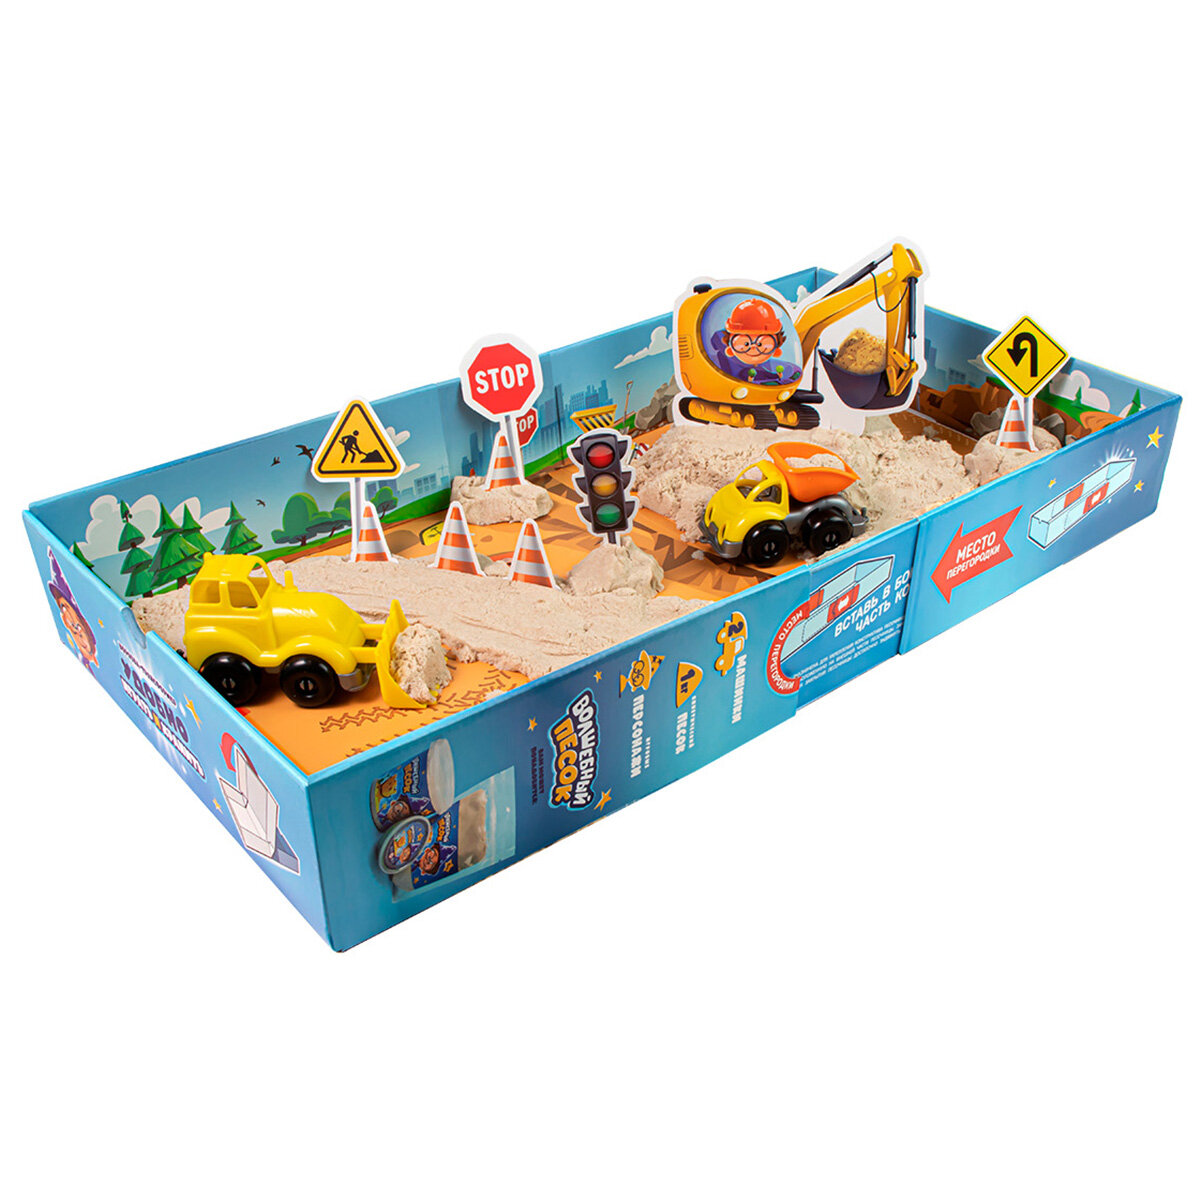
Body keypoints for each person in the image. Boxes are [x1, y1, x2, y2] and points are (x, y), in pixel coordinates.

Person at [714, 297, 803, 386]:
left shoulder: (767, 370)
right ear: (730, 350)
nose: (753, 347)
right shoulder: (729, 370)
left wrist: (779, 376)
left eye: (760, 344)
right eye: (745, 344)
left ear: (776, 350)